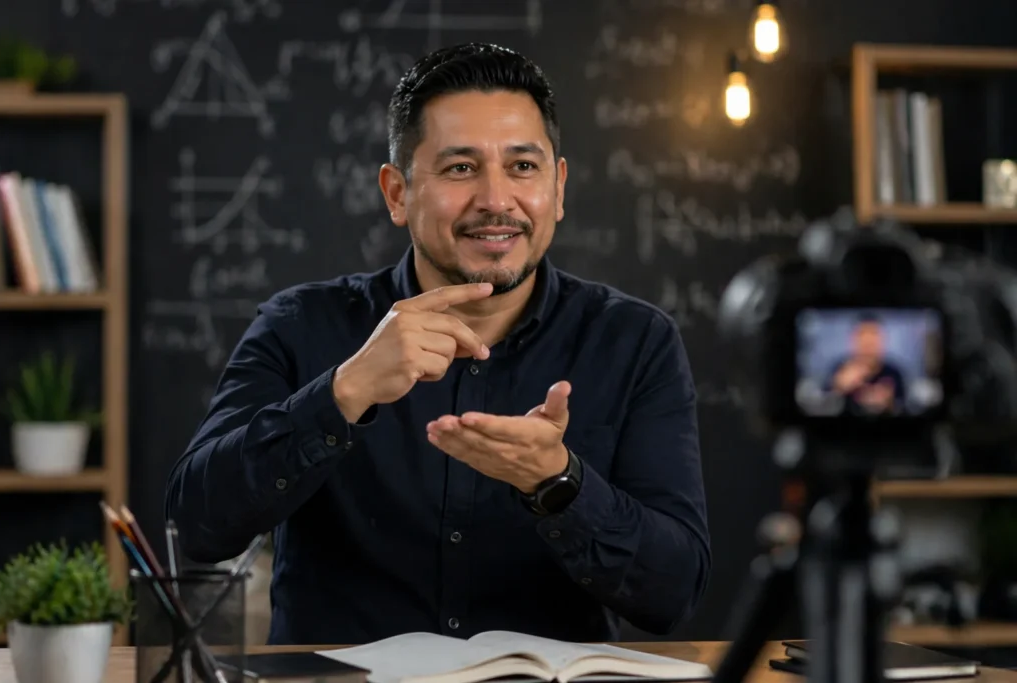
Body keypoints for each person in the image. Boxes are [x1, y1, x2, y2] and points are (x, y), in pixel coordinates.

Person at [165, 42, 710, 646]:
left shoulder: (635, 342)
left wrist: (558, 482)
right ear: (397, 193)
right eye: (460, 168)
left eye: (522, 167)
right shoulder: (299, 325)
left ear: (557, 188)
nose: (496, 200)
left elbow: (672, 593)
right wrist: (345, 393)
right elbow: (193, 531)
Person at [826, 313, 906, 415]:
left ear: (883, 340)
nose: (868, 342)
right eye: (862, 334)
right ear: (853, 339)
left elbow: (905, 409)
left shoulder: (894, 373)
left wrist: (889, 403)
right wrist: (838, 388)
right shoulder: (839, 369)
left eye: (873, 334)